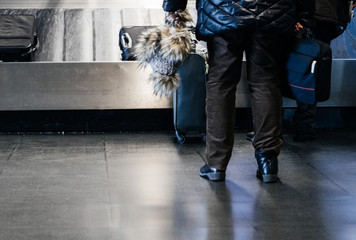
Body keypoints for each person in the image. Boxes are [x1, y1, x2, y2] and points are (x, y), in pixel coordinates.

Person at [163, 0, 297, 183]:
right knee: (265, 82)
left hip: (222, 10)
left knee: (221, 83)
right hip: (272, 10)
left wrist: (173, 6)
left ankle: (216, 163)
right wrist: (303, 15)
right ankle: (268, 162)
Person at [293, 0, 356, 142]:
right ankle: (304, 126)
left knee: (290, 64)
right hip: (330, 14)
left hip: (310, 12)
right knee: (312, 69)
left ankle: (273, 127)